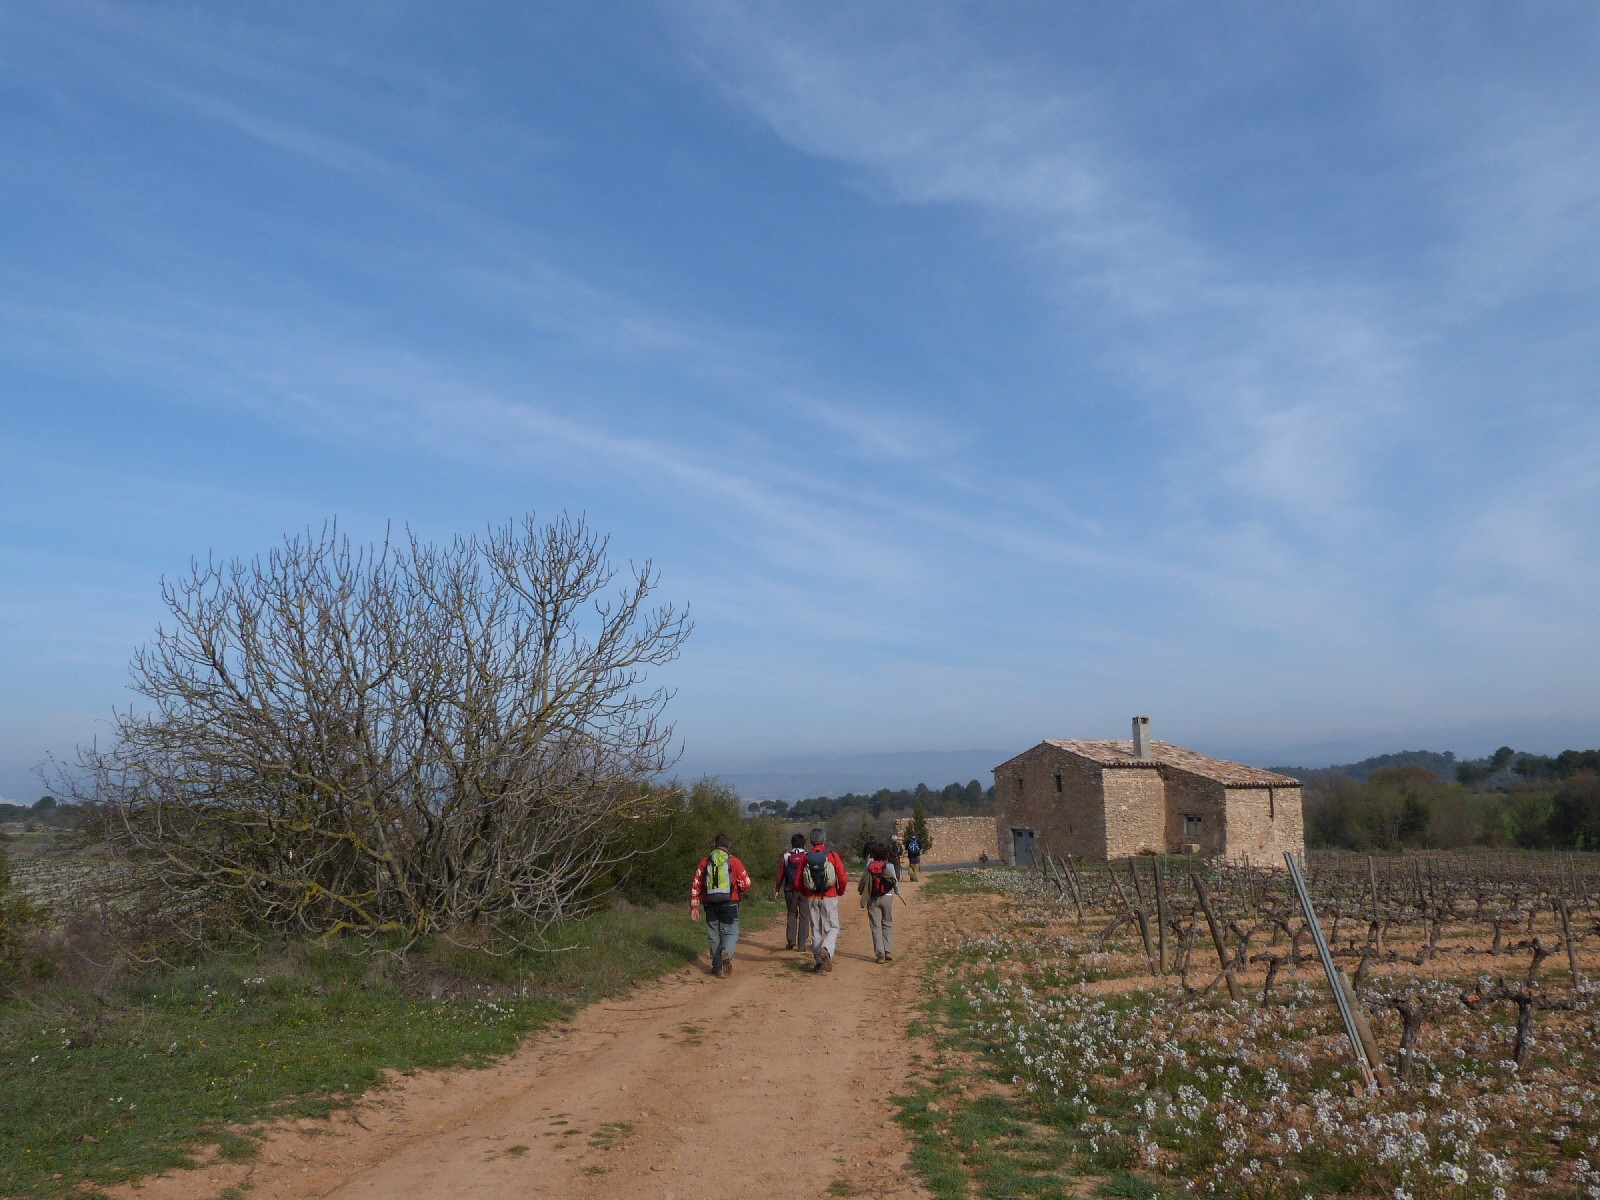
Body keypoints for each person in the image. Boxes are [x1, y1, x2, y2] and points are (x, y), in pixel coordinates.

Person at [690, 832, 753, 977]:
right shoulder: (734, 861)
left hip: (710, 903)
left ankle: (716, 966)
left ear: (714, 844)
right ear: (728, 846)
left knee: (714, 934)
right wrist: (737, 891)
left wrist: (694, 907)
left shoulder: (705, 861)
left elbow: (696, 884)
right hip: (730, 903)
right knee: (731, 933)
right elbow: (746, 883)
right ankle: (726, 951)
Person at [796, 827, 848, 974]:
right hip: (829, 896)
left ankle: (819, 963)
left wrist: (806, 892)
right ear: (825, 839)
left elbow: (797, 881)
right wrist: (840, 891)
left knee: (816, 930)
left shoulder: (806, 857)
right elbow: (842, 877)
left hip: (812, 897)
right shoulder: (832, 855)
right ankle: (826, 949)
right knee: (833, 928)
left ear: (811, 841)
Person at [858, 841, 901, 963]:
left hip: (873, 898)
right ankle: (888, 951)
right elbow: (895, 881)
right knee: (887, 922)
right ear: (887, 854)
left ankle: (880, 954)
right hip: (887, 897)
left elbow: (863, 881)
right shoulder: (889, 866)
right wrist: (897, 891)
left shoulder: (869, 866)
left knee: (875, 926)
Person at [773, 832, 811, 951]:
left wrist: (777, 889)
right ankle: (802, 945)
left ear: (792, 844)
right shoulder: (807, 856)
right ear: (804, 844)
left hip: (789, 889)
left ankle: (791, 940)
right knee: (804, 915)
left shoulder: (786, 856)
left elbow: (780, 875)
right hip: (804, 890)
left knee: (791, 913)